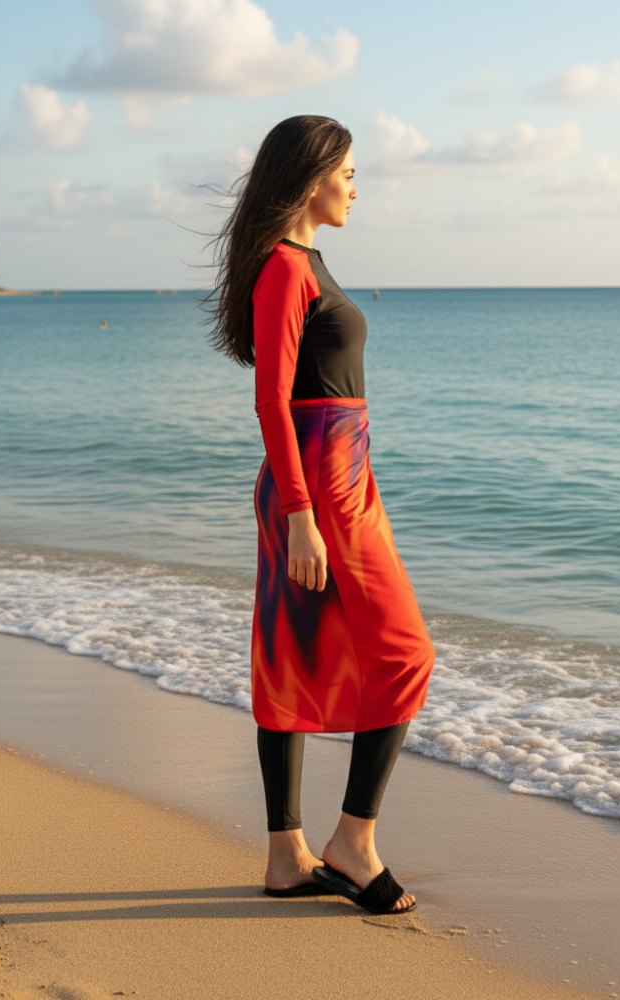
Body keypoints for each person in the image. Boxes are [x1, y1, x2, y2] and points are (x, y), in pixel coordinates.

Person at [206, 114, 435, 916]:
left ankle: (285, 856)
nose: (356, 185)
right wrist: (304, 514)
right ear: (312, 180)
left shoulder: (309, 259)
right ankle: (352, 843)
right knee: (406, 652)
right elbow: (271, 401)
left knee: (293, 654)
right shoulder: (281, 269)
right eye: (348, 172)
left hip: (338, 475)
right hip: (319, 487)